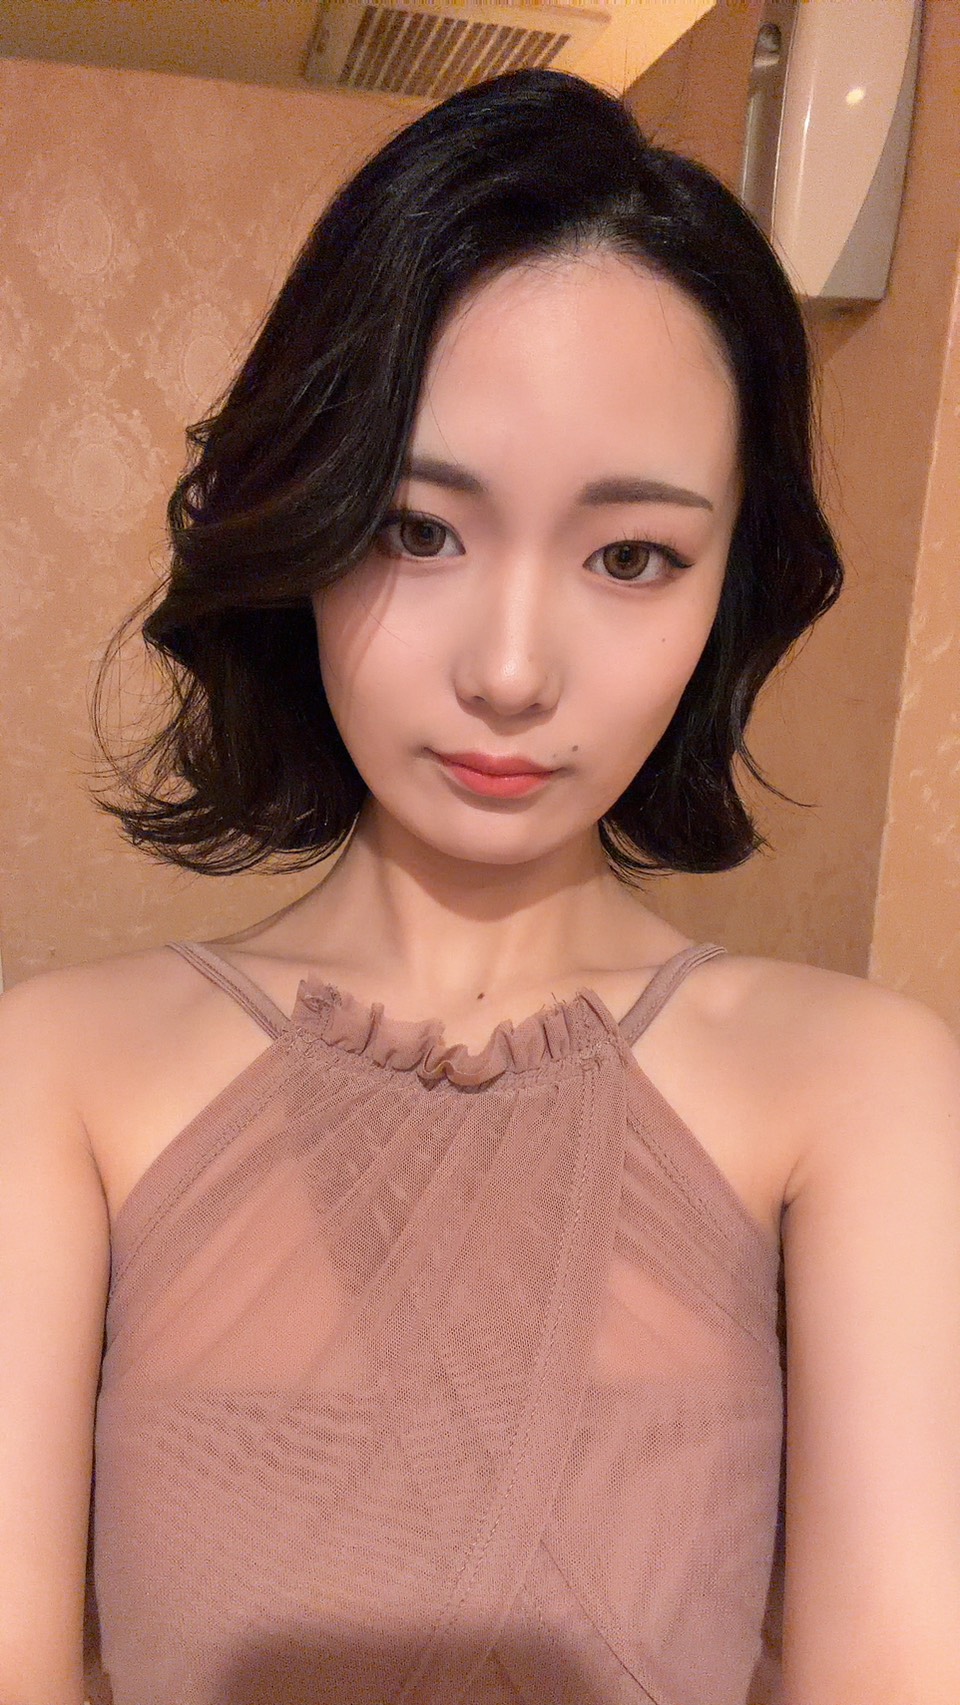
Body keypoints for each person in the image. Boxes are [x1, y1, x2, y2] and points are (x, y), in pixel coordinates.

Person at [1, 65, 958, 1705]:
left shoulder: (861, 1089)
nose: (511, 671)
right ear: (300, 524)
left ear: (730, 588)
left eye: (632, 557)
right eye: (416, 529)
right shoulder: (55, 1075)